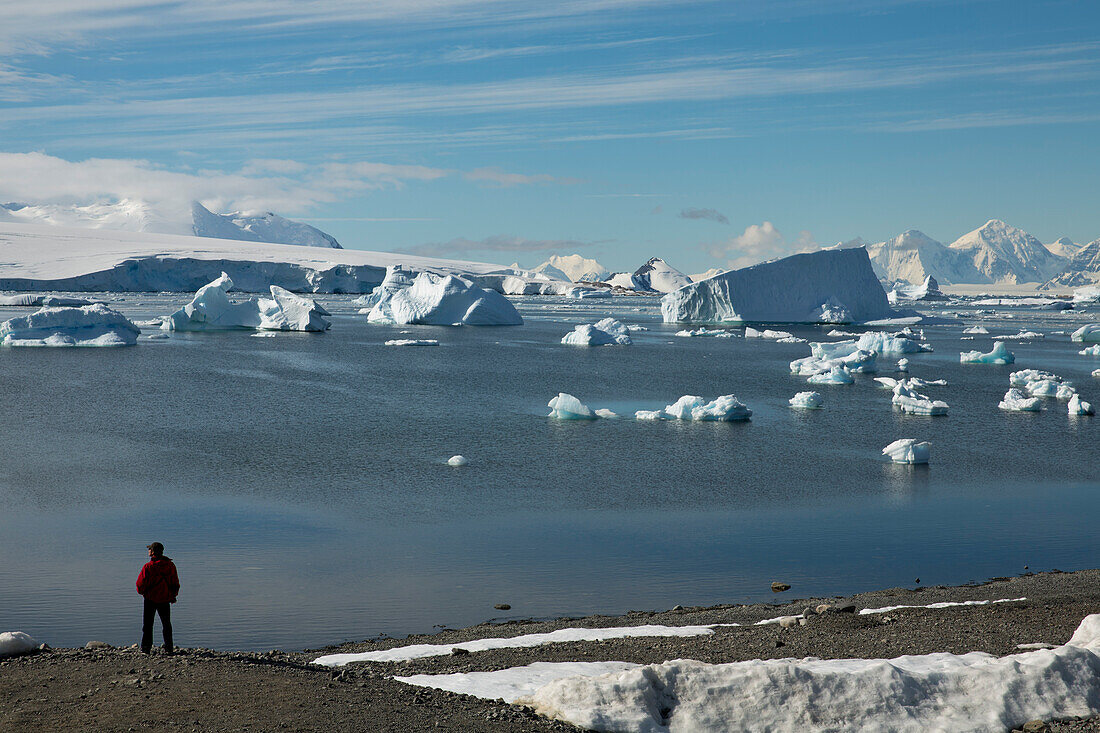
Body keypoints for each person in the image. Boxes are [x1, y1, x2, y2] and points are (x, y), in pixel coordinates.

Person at [136, 542, 179, 654]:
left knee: (148, 625)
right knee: (166, 624)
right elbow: (175, 583)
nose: (148, 551)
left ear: (153, 552)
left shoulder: (148, 567)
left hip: (150, 599)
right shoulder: (170, 565)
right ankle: (169, 648)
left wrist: (143, 593)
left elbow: (140, 584)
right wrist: (173, 595)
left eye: (149, 549)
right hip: (165, 599)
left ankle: (146, 648)